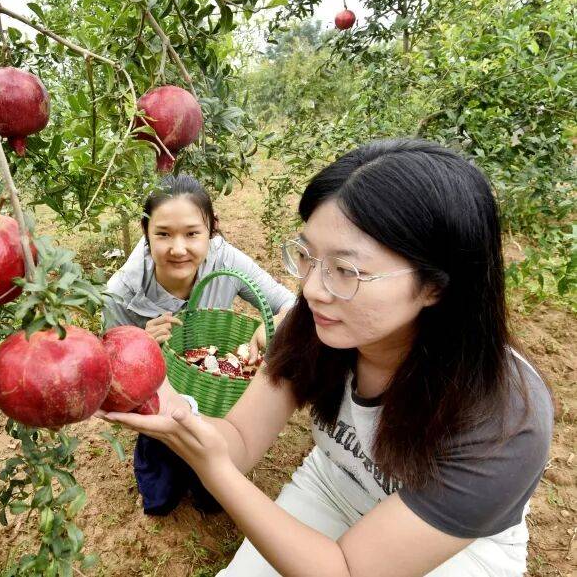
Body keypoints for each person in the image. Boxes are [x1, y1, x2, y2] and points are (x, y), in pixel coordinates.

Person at [100, 139, 553, 576]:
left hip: (453, 544)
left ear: (436, 284)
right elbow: (237, 436)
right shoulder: (316, 325)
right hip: (338, 483)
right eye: (307, 256)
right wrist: (173, 405)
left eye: (346, 270)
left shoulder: (503, 420)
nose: (312, 289)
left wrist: (212, 466)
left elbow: (347, 570)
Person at [103, 173, 295, 515]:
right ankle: (160, 488)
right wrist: (139, 346)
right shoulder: (122, 293)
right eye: (163, 234)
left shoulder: (227, 261)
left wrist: (273, 328)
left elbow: (290, 305)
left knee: (211, 496)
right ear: (146, 232)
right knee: (160, 494)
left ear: (212, 230)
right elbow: (110, 376)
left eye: (193, 233)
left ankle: (206, 489)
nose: (179, 249)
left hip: (215, 402)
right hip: (158, 404)